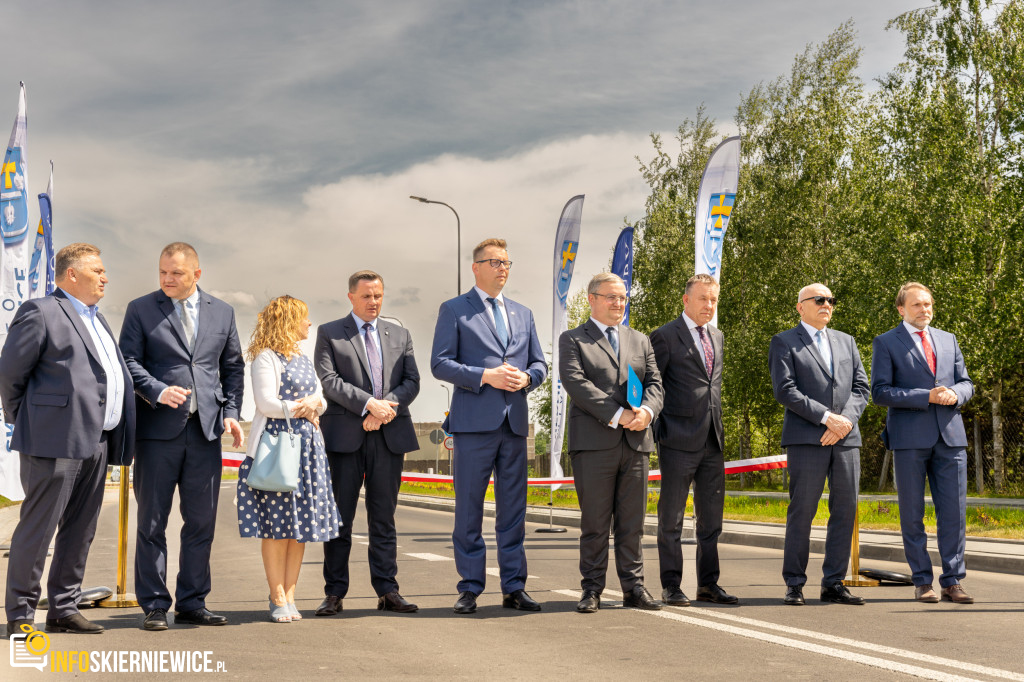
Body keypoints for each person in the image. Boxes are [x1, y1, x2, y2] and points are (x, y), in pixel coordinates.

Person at [1, 243, 135, 637]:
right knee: (39, 527)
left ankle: (63, 608)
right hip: (53, 439)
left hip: (98, 439)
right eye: (97, 270)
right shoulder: (41, 312)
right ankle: (22, 616)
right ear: (72, 274)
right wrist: (30, 419)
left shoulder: (99, 319)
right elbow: (10, 374)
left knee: (81, 528)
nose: (105, 277)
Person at [119, 242, 245, 630]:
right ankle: (155, 604)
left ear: (197, 274)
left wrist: (231, 413)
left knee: (201, 522)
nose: (167, 279)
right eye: (162, 272)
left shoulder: (222, 312)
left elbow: (233, 368)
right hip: (157, 432)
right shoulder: (141, 308)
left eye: (176, 273)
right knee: (152, 522)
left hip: (205, 432)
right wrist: (157, 389)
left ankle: (192, 602)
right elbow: (128, 360)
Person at [430, 238, 546, 614]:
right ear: (476, 267)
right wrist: (485, 376)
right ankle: (470, 587)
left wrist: (527, 378)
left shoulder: (523, 313)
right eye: (495, 262)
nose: (503, 269)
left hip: (513, 426)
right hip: (473, 426)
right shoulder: (454, 310)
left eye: (507, 263)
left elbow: (540, 365)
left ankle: (514, 587)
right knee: (468, 511)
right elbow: (440, 363)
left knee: (513, 511)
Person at [312, 271, 420, 616]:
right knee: (340, 518)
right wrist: (367, 404)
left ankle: (388, 590)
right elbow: (328, 380)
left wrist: (383, 408)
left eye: (378, 296)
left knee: (383, 519)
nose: (374, 302)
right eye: (367, 297)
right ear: (350, 297)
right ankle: (334, 593)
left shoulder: (399, 334)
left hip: (388, 436)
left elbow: (412, 381)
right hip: (345, 438)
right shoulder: (330, 333)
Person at [558, 273, 664, 613]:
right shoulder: (573, 339)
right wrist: (620, 414)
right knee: (595, 523)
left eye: (623, 298)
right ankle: (591, 589)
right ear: (592, 299)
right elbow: (576, 384)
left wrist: (647, 411)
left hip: (636, 443)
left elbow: (655, 383)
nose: (619, 303)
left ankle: (635, 588)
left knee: (633, 523)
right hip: (594, 444)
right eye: (611, 297)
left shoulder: (639, 339)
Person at [238, 295, 340, 622]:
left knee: (300, 528)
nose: (309, 323)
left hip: (308, 448)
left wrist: (313, 405)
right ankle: (276, 594)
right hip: (278, 448)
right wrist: (305, 406)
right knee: (277, 526)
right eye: (305, 318)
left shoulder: (302, 356)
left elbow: (321, 398)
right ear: (288, 321)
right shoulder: (265, 358)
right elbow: (266, 403)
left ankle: (291, 593)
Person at [871, 282, 975, 604]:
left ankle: (953, 581)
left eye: (928, 304)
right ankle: (922, 581)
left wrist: (956, 393)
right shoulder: (886, 342)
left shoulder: (948, 339)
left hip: (951, 438)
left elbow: (966, 382)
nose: (924, 310)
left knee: (954, 514)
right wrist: (925, 396)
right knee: (912, 514)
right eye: (917, 305)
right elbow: (880, 392)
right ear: (901, 309)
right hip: (909, 440)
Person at [769, 283, 870, 606]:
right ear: (800, 307)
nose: (827, 304)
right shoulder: (784, 342)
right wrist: (827, 418)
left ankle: (834, 583)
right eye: (819, 300)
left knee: (845, 509)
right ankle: (795, 583)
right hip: (807, 439)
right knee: (803, 511)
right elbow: (785, 390)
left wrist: (844, 423)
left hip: (845, 439)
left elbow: (861, 387)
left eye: (831, 300)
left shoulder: (846, 341)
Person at [650, 273, 737, 606]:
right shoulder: (665, 336)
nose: (709, 305)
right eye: (703, 299)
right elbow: (653, 386)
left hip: (712, 440)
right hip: (677, 440)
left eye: (714, 299)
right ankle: (671, 584)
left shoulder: (717, 336)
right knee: (670, 519)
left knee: (711, 520)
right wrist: (659, 431)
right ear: (686, 300)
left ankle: (708, 584)